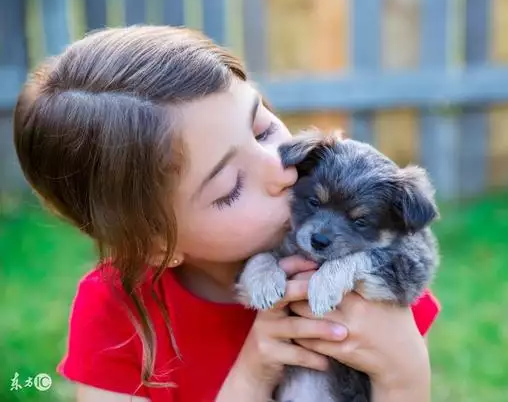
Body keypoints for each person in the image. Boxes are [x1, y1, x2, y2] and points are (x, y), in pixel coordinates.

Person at [13, 25, 440, 402]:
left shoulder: (364, 284)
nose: (279, 169)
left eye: (263, 129)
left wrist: (404, 374)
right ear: (156, 242)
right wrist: (253, 373)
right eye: (230, 188)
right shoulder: (114, 313)